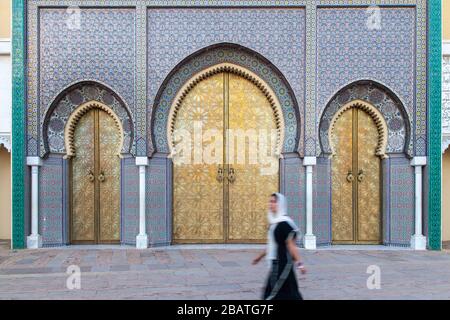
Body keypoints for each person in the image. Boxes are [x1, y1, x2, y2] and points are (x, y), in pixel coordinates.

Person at [252, 193, 306, 300]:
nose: (271, 204)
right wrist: (259, 257)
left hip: (283, 264)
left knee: (273, 292)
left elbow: (291, 246)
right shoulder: (274, 223)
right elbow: (272, 245)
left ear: (280, 204)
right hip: (276, 263)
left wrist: (300, 264)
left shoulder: (285, 223)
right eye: (270, 201)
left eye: (274, 202)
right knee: (288, 291)